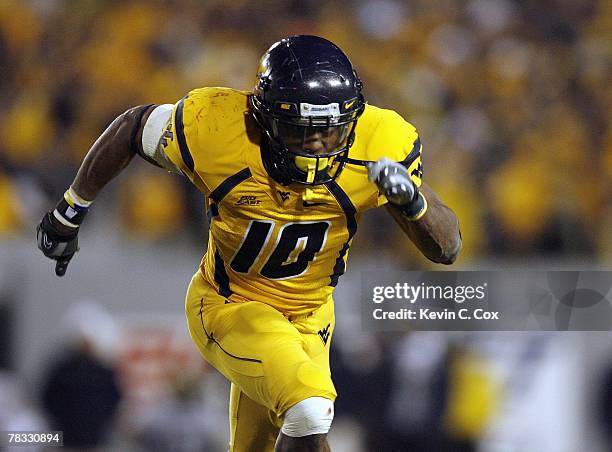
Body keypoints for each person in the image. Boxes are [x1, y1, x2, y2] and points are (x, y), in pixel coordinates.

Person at [37, 35, 461, 452]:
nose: (315, 145)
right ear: (267, 119)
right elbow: (133, 127)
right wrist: (69, 210)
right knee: (310, 411)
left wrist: (412, 201)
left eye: (328, 132)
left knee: (271, 436)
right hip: (231, 305)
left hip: (311, 317)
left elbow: (447, 248)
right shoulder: (218, 128)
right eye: (300, 131)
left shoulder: (380, 141)